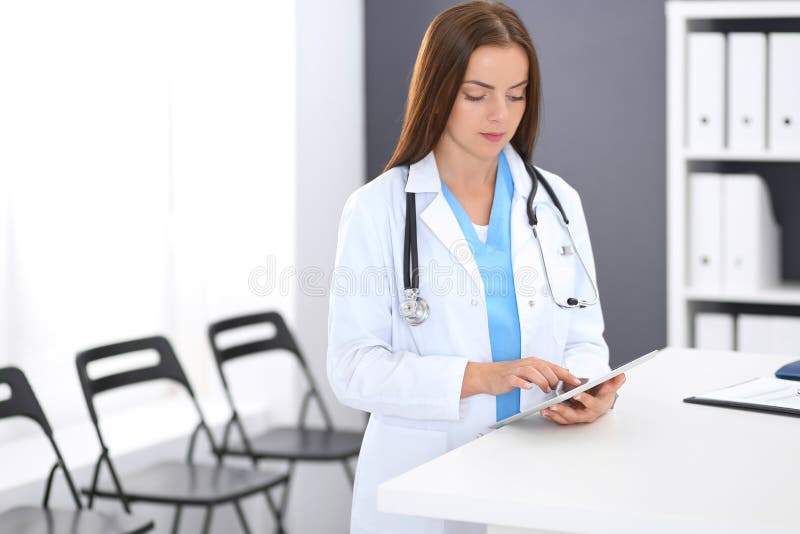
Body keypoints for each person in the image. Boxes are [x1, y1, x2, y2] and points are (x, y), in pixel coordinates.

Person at [327, 2, 625, 533]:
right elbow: (352, 368)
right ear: (438, 91)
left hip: (537, 471)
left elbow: (583, 334)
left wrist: (588, 389)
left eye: (516, 95)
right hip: (424, 477)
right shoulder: (379, 210)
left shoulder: (557, 202)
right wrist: (475, 378)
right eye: (476, 95)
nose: (500, 116)